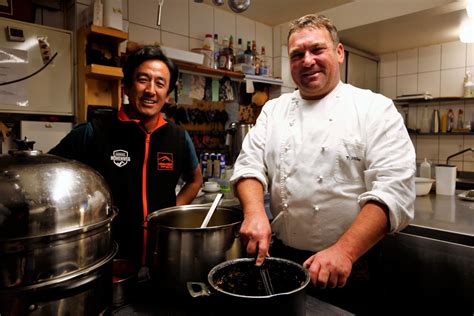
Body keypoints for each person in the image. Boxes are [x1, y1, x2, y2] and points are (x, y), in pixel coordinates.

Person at [229, 14, 415, 313]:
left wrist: (344, 251)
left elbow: (393, 192)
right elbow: (249, 165)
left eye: (317, 50)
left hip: (350, 264)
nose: (307, 61)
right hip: (281, 256)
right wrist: (253, 212)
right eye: (297, 54)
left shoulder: (374, 109)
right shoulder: (274, 110)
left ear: (339, 53)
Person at [50, 46, 203, 271]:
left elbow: (195, 180)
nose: (151, 90)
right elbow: (51, 176)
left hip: (161, 257)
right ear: (127, 87)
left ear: (167, 95)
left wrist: (169, 212)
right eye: (143, 80)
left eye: (160, 83)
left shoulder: (179, 137)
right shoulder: (94, 132)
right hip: (105, 258)